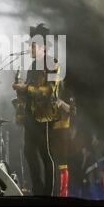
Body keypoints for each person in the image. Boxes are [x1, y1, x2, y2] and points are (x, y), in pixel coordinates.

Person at [12, 23, 60, 196]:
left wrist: (25, 89)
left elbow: (49, 92)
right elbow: (29, 89)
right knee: (28, 151)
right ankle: (38, 190)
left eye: (33, 44)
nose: (30, 47)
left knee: (44, 153)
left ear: (44, 46)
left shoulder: (53, 64)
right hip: (30, 115)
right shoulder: (32, 66)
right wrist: (20, 89)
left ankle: (47, 194)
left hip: (43, 116)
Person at [50, 80, 76, 197]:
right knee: (51, 164)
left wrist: (61, 103)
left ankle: (63, 194)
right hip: (50, 133)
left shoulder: (67, 93)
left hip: (63, 133)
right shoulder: (49, 91)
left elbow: (73, 111)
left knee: (62, 164)